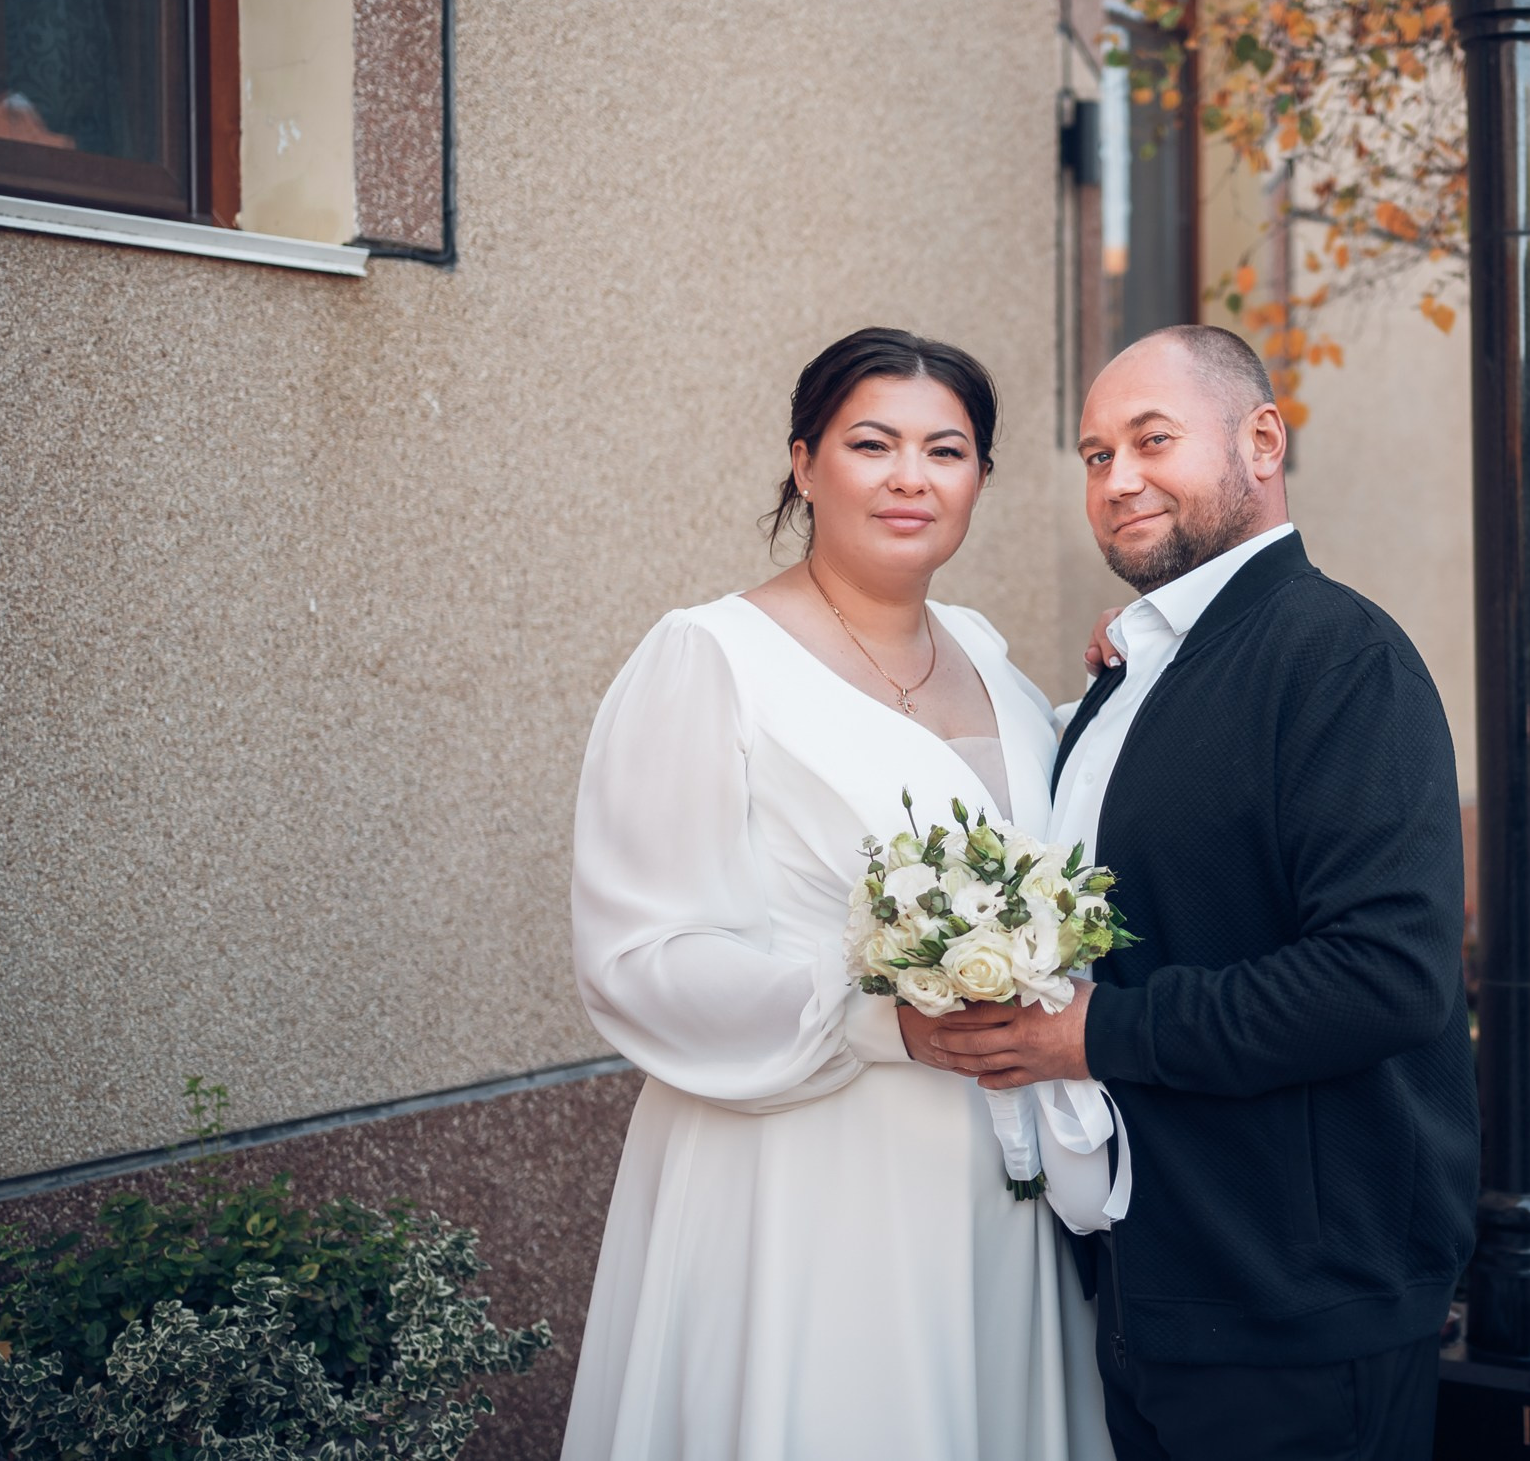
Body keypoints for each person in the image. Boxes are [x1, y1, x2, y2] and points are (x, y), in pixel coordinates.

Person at [561, 327, 1111, 1460]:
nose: (911, 477)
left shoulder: (990, 661)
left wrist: (1137, 666)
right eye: (873, 443)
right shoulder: (707, 657)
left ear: (981, 481)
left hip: (987, 1168)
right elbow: (639, 958)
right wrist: (877, 1015)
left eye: (946, 451)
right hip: (800, 1165)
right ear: (805, 462)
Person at [935, 325, 1480, 1461]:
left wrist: (1095, 1032)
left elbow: (1386, 976)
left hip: (1297, 1307)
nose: (1118, 478)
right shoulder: (1135, 671)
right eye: (1093, 455)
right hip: (1157, 1281)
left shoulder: (1338, 656)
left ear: (1262, 441)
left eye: (1152, 439)